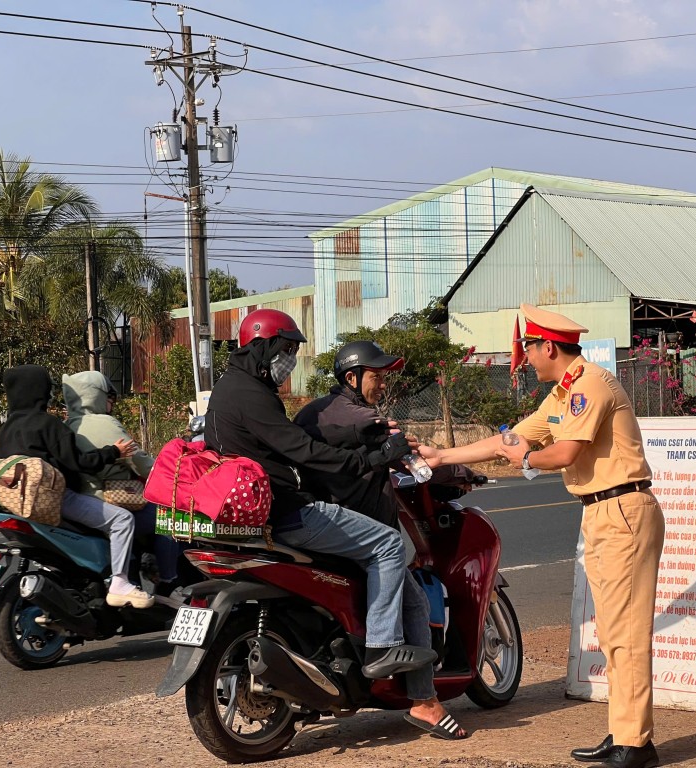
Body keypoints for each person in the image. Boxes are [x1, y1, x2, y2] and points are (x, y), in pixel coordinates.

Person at [418, 304, 664, 768]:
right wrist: (439, 457)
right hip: (605, 511)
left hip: (622, 510)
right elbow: (506, 441)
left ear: (548, 346)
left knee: (626, 634)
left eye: (529, 348)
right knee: (614, 632)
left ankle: (635, 745)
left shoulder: (588, 384)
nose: (525, 358)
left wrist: (527, 463)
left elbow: (567, 451)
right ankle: (626, 735)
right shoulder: (563, 393)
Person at [204, 309, 439, 683]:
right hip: (287, 512)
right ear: (263, 346)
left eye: (294, 353)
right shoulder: (252, 395)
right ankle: (381, 646)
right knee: (389, 545)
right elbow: (303, 450)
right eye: (286, 350)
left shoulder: (230, 389)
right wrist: (376, 456)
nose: (290, 361)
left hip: (255, 513)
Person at [294, 340, 470, 740]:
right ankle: (421, 698)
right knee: (417, 602)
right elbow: (415, 462)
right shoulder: (368, 420)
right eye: (376, 376)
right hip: (357, 533)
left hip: (315, 526)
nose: (381, 384)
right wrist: (461, 471)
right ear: (352, 377)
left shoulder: (313, 413)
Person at [0, 365, 153, 609]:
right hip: (56, 498)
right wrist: (114, 452)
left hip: (17, 502)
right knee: (122, 520)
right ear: (39, 392)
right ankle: (120, 582)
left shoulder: (8, 429)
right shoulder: (48, 424)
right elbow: (81, 463)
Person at [62, 371, 181, 597]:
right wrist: (169, 471)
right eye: (108, 396)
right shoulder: (105, 424)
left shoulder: (67, 425)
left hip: (80, 502)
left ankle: (134, 579)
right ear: (93, 396)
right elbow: (142, 463)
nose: (111, 402)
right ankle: (169, 583)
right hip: (108, 499)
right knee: (169, 521)